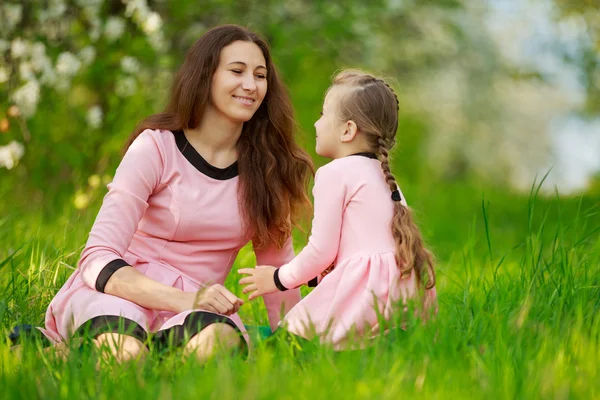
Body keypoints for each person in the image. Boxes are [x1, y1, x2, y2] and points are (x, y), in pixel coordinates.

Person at [36, 24, 313, 362]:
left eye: (260, 75)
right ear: (205, 76)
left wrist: (294, 347)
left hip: (196, 314)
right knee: (124, 355)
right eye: (237, 71)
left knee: (214, 347)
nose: (250, 85)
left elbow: (278, 274)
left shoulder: (268, 169)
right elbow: (97, 259)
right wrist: (187, 300)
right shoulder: (155, 147)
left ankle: (81, 355)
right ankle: (51, 352)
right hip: (123, 294)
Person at [239, 69, 437, 350]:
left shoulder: (335, 172)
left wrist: (276, 278)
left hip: (361, 298)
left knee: (278, 351)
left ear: (348, 130)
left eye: (323, 114)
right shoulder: (382, 173)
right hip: (396, 302)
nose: (317, 123)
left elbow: (322, 251)